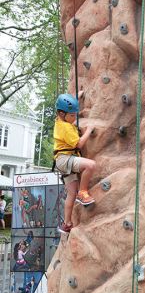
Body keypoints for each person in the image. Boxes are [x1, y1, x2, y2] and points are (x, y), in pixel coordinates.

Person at [54, 93, 96, 234]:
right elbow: (79, 144)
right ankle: (83, 193)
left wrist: (76, 98)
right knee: (90, 165)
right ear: (62, 114)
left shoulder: (59, 121)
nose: (74, 118)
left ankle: (66, 224)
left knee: (71, 194)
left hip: (62, 162)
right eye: (72, 115)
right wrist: (89, 131)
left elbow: (65, 105)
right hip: (65, 159)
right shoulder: (65, 127)